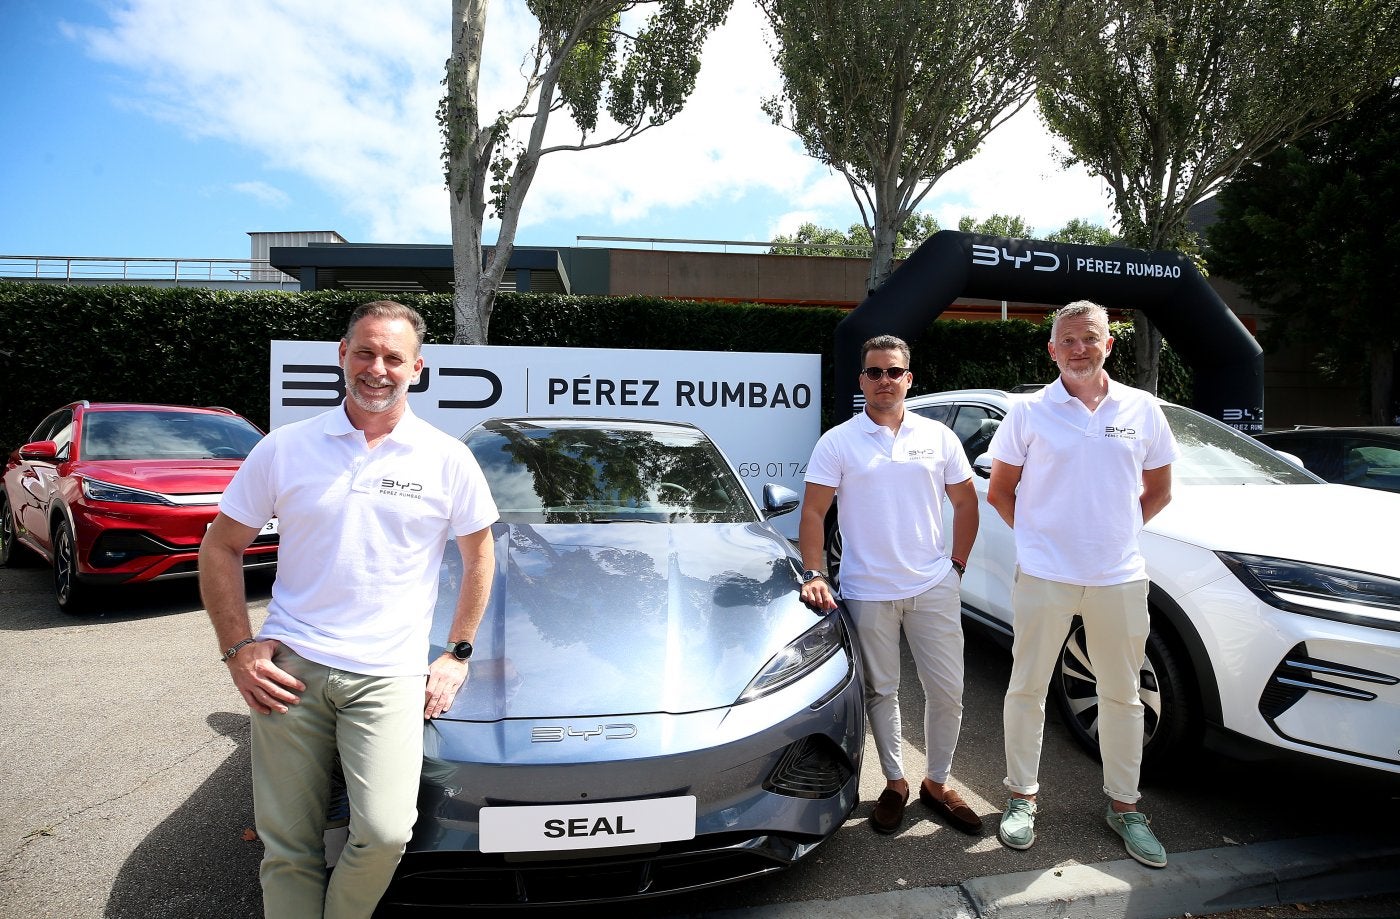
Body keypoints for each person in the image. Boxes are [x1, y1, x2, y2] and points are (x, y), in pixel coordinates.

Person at [199, 300, 499, 919]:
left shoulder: (446, 458)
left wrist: (457, 654)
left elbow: (479, 557)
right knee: (288, 845)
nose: (377, 368)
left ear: (417, 368)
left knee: (386, 832)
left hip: (390, 673)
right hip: (291, 667)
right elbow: (221, 546)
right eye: (364, 351)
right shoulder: (287, 449)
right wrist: (237, 650)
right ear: (342, 355)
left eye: (394, 357)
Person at [985, 300, 1179, 869]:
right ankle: (1021, 798)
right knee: (1027, 688)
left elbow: (1160, 489)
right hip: (1045, 574)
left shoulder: (1142, 409)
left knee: (1122, 695)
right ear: (1051, 349)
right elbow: (1001, 490)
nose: (1078, 348)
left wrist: (1112, 533)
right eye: (1067, 339)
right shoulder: (1028, 412)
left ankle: (1125, 807)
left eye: (1089, 338)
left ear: (1108, 344)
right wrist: (1044, 539)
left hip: (1118, 576)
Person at [799, 334, 982, 836]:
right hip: (866, 589)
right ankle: (897, 782)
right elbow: (813, 512)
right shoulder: (838, 441)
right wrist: (815, 573)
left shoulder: (939, 437)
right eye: (875, 372)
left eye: (893, 371)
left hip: (933, 586)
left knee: (947, 691)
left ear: (909, 377)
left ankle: (938, 782)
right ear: (863, 381)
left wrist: (956, 566)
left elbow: (967, 505)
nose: (884, 380)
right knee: (883, 691)